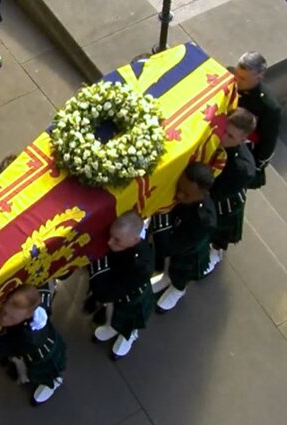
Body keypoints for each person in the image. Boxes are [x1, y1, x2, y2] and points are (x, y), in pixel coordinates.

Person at [88, 211, 155, 358]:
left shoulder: (141, 265)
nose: (110, 242)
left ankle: (129, 335)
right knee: (112, 314)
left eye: (117, 240)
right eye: (111, 236)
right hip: (116, 287)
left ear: (135, 240)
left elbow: (107, 294)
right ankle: (111, 326)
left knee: (129, 320)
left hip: (132, 297)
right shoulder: (123, 245)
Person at [152, 162, 217, 312]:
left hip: (188, 249)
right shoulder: (180, 196)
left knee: (181, 273)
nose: (179, 195)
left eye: (186, 194)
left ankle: (178, 289)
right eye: (180, 189)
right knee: (170, 265)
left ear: (203, 194)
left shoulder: (203, 220)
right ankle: (166, 277)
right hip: (175, 233)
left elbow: (168, 247)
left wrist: (160, 215)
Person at [0, 283, 66, 405]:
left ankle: (52, 383)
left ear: (28, 314)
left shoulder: (27, 338)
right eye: (4, 313)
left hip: (42, 355)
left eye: (11, 319)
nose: (3, 319)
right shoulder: (35, 306)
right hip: (38, 342)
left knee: (46, 372)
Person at [204, 109, 257, 275]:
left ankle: (216, 252)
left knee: (220, 230)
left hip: (224, 202)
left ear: (243, 139)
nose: (223, 138)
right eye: (224, 130)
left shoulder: (241, 169)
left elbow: (216, 193)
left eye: (231, 136)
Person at [231, 51, 281, 189]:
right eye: (237, 74)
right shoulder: (229, 75)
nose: (237, 80)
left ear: (259, 77)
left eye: (243, 79)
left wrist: (256, 165)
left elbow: (268, 143)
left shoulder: (268, 107)